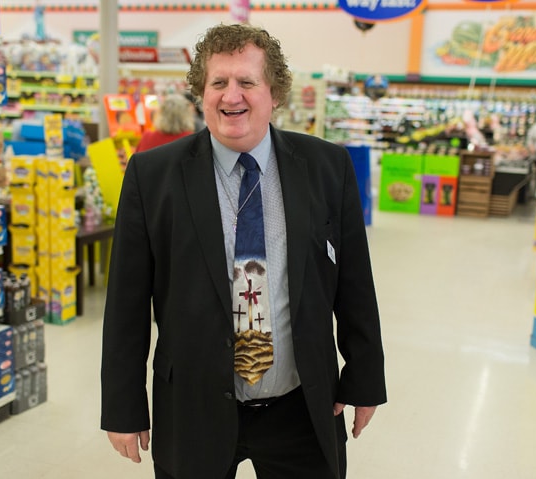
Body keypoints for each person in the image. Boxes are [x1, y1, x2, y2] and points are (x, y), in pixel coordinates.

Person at [101, 23, 387, 479]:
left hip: (301, 406)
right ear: (201, 93)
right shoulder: (153, 176)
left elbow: (354, 281)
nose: (231, 96)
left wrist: (365, 376)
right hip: (194, 408)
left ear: (274, 94)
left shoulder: (326, 168)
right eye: (218, 82)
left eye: (247, 82)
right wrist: (122, 406)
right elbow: (126, 303)